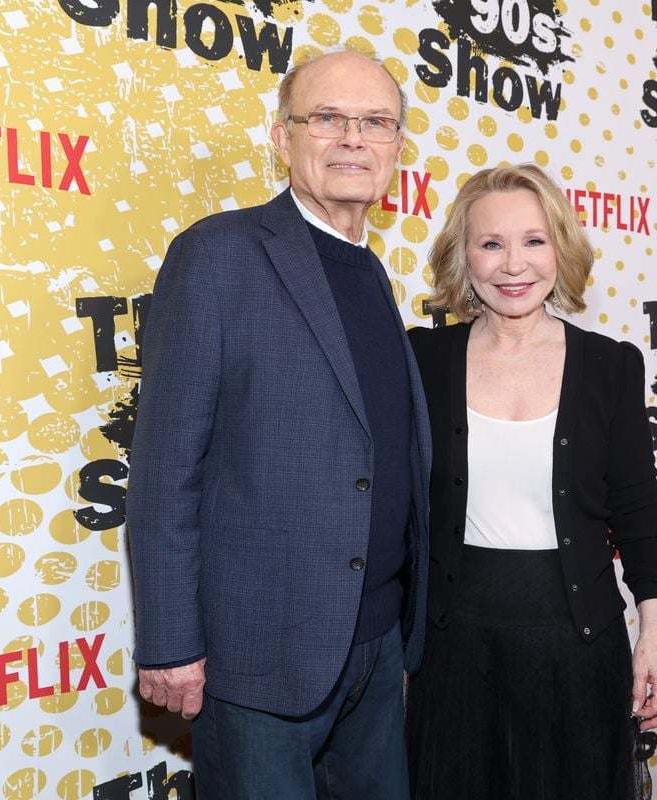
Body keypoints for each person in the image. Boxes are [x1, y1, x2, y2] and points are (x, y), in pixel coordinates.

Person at [124, 50, 430, 800]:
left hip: (377, 646)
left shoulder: (375, 272)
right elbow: (166, 471)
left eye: (376, 122)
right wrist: (169, 642)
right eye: (327, 117)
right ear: (281, 136)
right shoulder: (219, 256)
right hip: (260, 655)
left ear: (396, 147)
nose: (353, 139)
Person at [405, 164, 657, 799]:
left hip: (577, 647)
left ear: (561, 248)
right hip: (456, 650)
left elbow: (638, 513)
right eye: (490, 244)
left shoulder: (610, 366)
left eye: (533, 241)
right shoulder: (424, 359)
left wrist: (654, 638)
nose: (512, 265)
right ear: (462, 257)